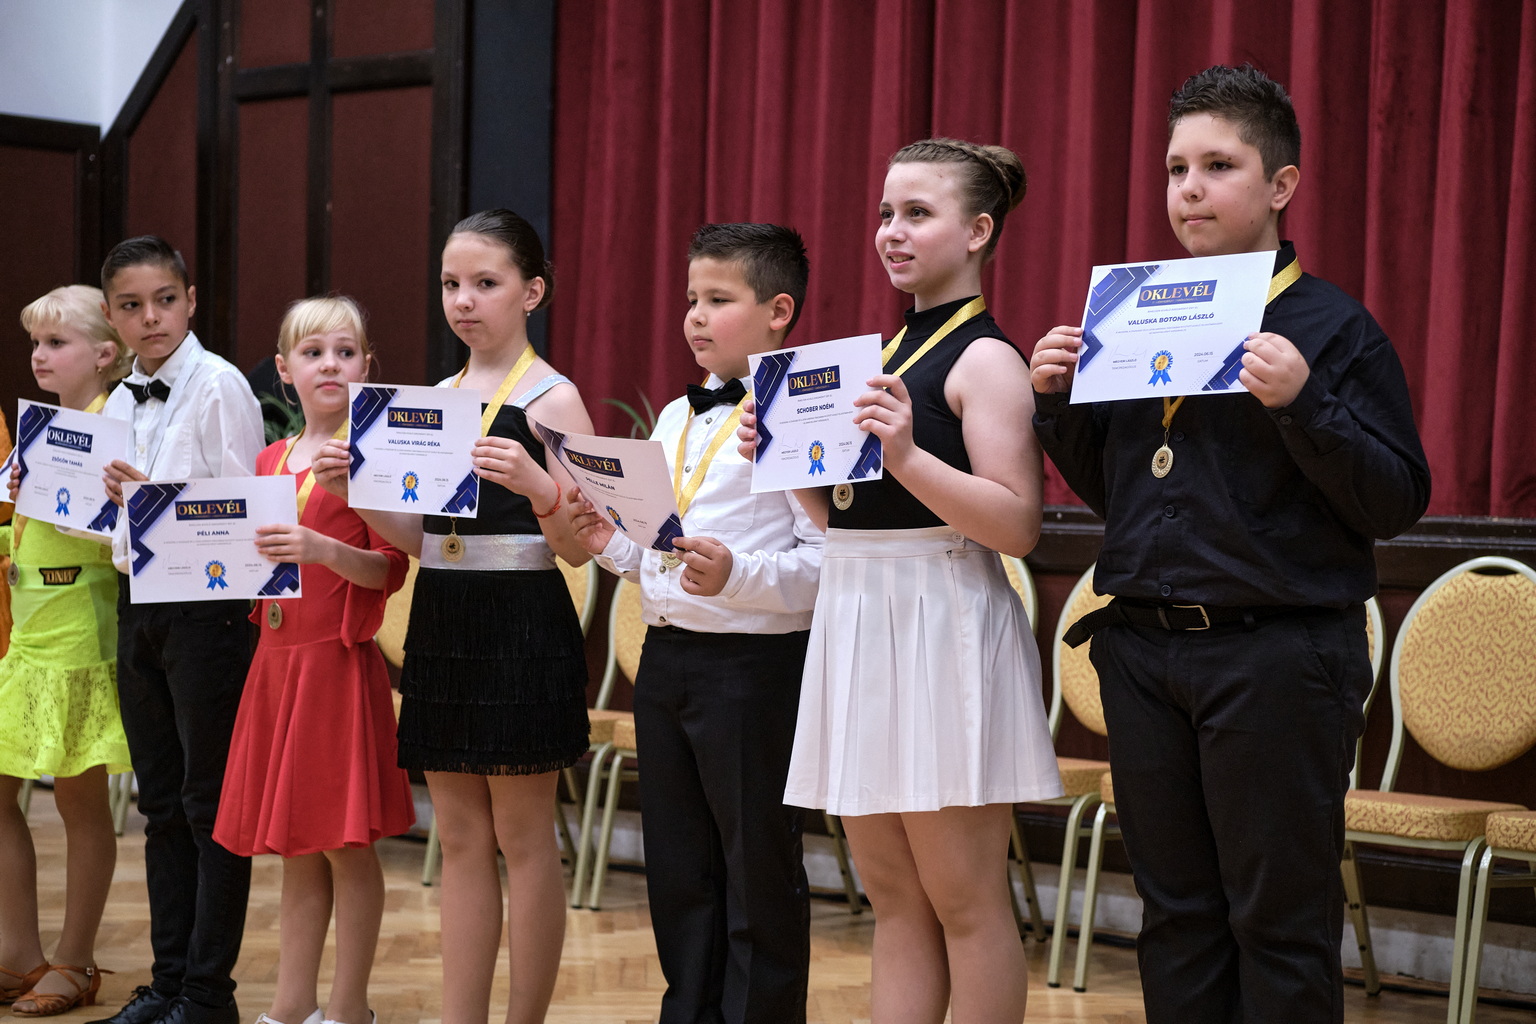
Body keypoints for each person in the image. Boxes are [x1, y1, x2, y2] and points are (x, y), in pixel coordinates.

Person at [1029, 65, 1431, 1024]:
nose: (1190, 190)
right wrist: (1060, 405)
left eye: (1218, 166)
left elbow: (1396, 500)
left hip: (1275, 656)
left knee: (1278, 923)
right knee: (1174, 918)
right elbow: (1130, 493)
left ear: (1281, 185)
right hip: (1144, 650)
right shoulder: (1141, 313)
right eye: (1176, 169)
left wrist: (1305, 403)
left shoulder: (1333, 327)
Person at [739, 139, 1062, 1023]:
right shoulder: (880, 353)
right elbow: (844, 520)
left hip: (942, 615)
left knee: (964, 898)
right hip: (859, 611)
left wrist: (908, 455)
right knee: (893, 897)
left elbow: (1016, 524)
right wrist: (785, 463)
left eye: (918, 213)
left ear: (978, 231)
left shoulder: (987, 359)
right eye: (886, 213)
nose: (892, 231)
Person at [312, 209, 592, 1024]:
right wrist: (353, 492)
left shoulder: (554, 398)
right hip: (443, 614)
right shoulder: (429, 400)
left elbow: (580, 549)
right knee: (461, 837)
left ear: (531, 292)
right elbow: (419, 537)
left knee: (525, 838)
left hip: (522, 619)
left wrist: (539, 488)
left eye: (485, 283)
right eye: (450, 284)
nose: (463, 300)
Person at [567, 223, 823, 1024]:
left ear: (778, 311)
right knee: (680, 869)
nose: (696, 317)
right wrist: (610, 542)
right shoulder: (677, 414)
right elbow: (661, 555)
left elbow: (830, 565)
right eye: (691, 299)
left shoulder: (805, 409)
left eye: (718, 299)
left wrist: (737, 574)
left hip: (753, 671)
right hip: (667, 660)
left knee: (756, 869)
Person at [213, 297, 414, 1024]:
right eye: (313, 353)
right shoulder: (270, 461)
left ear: (367, 367)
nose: (330, 364)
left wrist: (325, 548)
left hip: (334, 667)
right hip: (277, 665)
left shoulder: (374, 456)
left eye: (345, 352)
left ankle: (349, 1006)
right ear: (284, 369)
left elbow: (390, 569)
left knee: (345, 848)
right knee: (299, 848)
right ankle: (290, 1004)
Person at [93, 237, 265, 1024]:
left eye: (165, 300)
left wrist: (154, 499)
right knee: (159, 803)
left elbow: (245, 511)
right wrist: (69, 496)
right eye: (132, 306)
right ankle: (166, 985)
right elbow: (110, 527)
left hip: (207, 609)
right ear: (112, 315)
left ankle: (207, 993)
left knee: (207, 803)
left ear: (191, 301)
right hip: (137, 602)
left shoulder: (219, 385)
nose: (151, 317)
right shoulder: (118, 401)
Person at [0, 286, 133, 1016]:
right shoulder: (40, 430)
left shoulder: (116, 426)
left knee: (81, 801)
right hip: (29, 637)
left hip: (80, 635)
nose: (39, 356)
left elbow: (114, 535)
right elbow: (30, 530)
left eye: (56, 343)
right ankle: (18, 952)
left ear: (105, 354)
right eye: (35, 344)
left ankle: (76, 960)